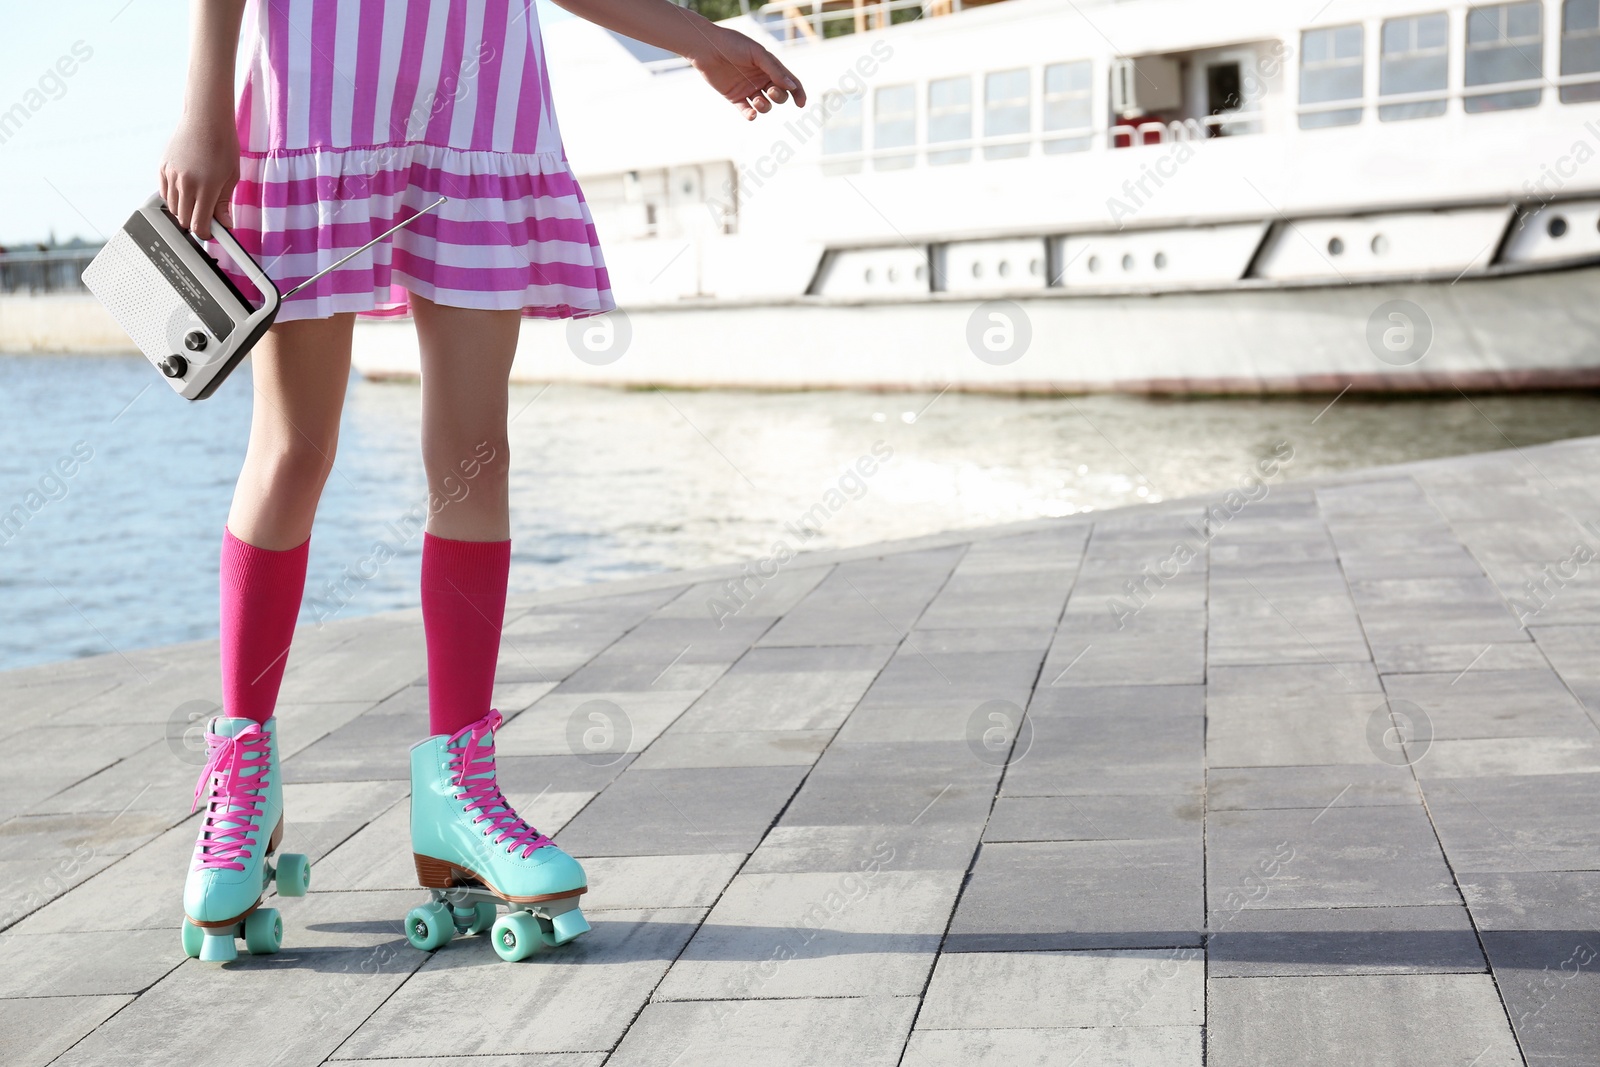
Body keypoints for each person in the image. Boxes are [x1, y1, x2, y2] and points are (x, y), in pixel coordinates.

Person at [163, 0, 804, 963]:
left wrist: (699, 38)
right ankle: (240, 773)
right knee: (294, 451)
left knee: (476, 455)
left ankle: (459, 794)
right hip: (313, 89)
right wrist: (205, 104)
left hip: (476, 96)